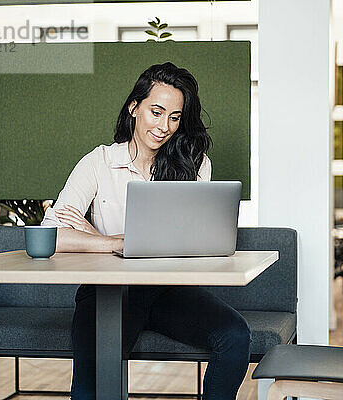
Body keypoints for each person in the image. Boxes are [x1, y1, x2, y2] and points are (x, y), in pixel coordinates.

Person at [42, 62, 251, 400]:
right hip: (108, 292)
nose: (164, 126)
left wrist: (93, 236)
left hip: (170, 291)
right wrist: (112, 243)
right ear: (134, 107)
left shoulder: (193, 163)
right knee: (90, 388)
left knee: (235, 336)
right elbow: (52, 235)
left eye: (175, 117)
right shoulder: (100, 163)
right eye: (156, 112)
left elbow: (195, 242)